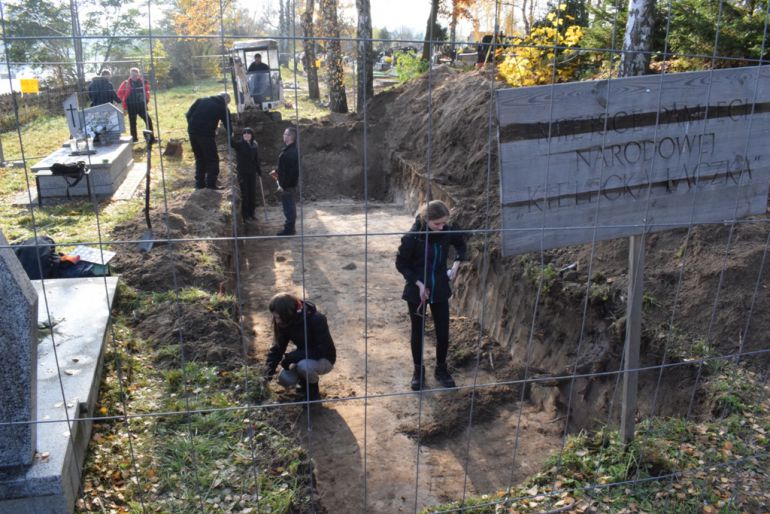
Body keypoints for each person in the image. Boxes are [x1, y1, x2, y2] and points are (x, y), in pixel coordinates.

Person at [395, 200, 467, 391]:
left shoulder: (445, 232)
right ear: (426, 219)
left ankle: (441, 369)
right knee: (417, 331)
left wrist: (456, 265)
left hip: (440, 288)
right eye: (437, 224)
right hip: (416, 291)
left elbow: (461, 244)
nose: (442, 227)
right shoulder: (411, 238)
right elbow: (401, 264)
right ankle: (418, 371)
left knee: (443, 332)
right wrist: (418, 283)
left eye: (444, 223)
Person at [263, 293, 336, 401]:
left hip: (324, 358)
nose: (276, 321)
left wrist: (293, 357)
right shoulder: (285, 322)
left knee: (304, 366)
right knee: (285, 379)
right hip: (303, 354)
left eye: (278, 317)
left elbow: (322, 350)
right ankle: (303, 385)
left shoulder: (317, 319)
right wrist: (266, 375)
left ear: (287, 313)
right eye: (274, 316)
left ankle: (313, 393)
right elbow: (277, 348)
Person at [186, 92, 231, 189]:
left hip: (192, 132)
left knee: (200, 158)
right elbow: (228, 124)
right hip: (205, 135)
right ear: (226, 101)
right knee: (212, 159)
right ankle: (211, 184)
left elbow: (188, 114)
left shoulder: (202, 100)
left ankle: (199, 184)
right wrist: (231, 136)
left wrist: (193, 126)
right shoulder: (222, 107)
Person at [269, 126, 298, 235]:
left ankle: (289, 229)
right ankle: (290, 228)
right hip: (288, 184)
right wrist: (277, 171)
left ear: (290, 137)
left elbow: (290, 172)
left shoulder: (290, 152)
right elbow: (285, 168)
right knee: (289, 206)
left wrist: (283, 185)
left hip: (287, 185)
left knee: (289, 207)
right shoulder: (289, 150)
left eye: (285, 134)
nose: (283, 136)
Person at [230, 127, 261, 221]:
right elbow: (231, 143)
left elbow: (256, 159)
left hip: (252, 172)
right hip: (243, 172)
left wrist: (258, 170)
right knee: (245, 194)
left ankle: (252, 213)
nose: (246, 134)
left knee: (252, 193)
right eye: (244, 133)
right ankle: (245, 215)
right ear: (242, 135)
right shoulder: (239, 144)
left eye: (249, 133)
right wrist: (230, 133)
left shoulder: (254, 145)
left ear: (252, 135)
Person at [117, 67, 154, 142]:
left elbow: (147, 91)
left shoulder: (143, 82)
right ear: (130, 74)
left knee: (148, 120)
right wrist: (124, 100)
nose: (134, 76)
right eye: (133, 74)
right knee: (133, 123)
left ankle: (150, 137)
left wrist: (146, 100)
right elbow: (119, 93)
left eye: (136, 74)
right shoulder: (126, 83)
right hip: (131, 106)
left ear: (138, 74)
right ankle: (134, 139)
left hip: (141, 105)